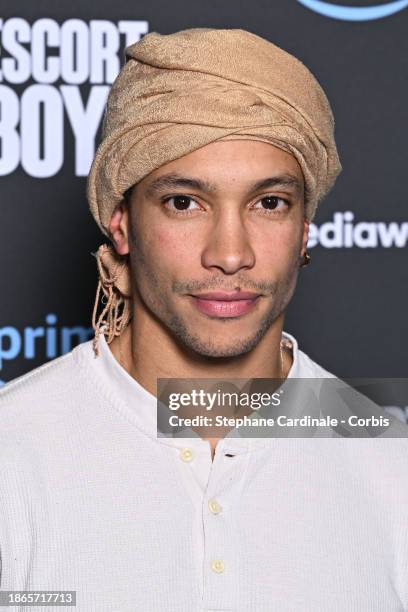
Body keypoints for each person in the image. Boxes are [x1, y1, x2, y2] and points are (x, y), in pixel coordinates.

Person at [1, 27, 407, 611]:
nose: (231, 253)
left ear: (305, 228)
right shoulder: (12, 453)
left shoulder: (391, 468)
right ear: (121, 223)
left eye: (269, 203)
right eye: (184, 202)